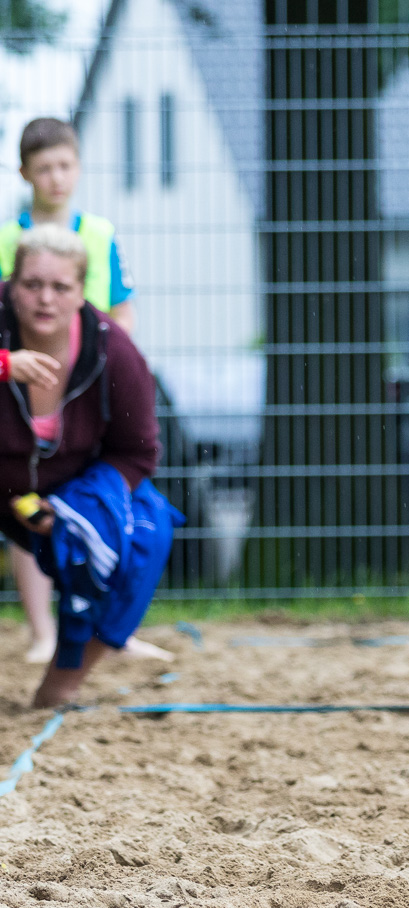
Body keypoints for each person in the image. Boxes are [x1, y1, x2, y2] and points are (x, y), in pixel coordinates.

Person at [0, 225, 170, 709]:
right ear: (11, 285)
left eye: (60, 287)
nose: (45, 299)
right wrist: (4, 365)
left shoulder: (115, 351)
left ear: (82, 293)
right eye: (32, 284)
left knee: (147, 526)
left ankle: (64, 679)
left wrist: (75, 509)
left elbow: (138, 452)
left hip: (67, 489)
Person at [1, 117, 142, 664]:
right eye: (45, 168)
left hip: (90, 391)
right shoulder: (9, 238)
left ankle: (112, 628)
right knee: (26, 499)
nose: (56, 178)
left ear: (78, 168)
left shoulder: (100, 234)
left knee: (105, 505)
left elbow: (122, 308)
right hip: (26, 386)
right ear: (25, 173)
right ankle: (43, 632)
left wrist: (114, 366)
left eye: (65, 166)